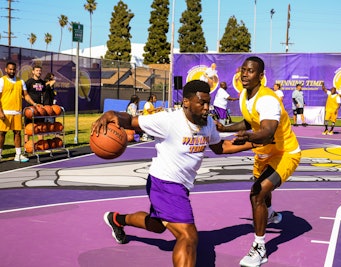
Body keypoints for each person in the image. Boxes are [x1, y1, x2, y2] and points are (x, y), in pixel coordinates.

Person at [92, 80, 252, 267]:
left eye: (208, 102)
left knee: (157, 226)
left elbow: (221, 147)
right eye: (202, 103)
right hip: (164, 183)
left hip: (181, 186)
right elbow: (132, 121)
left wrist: (254, 144)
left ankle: (117, 219)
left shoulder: (207, 122)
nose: (207, 108)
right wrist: (112, 114)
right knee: (188, 235)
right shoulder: (168, 120)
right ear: (186, 102)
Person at [216, 56, 301, 266]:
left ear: (260, 76)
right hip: (264, 153)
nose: (245, 74)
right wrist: (225, 128)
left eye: (250, 71)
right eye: (243, 70)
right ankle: (270, 214)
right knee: (262, 192)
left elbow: (266, 131)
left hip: (285, 152)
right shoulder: (245, 95)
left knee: (257, 193)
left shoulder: (267, 99)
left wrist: (247, 137)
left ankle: (260, 247)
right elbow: (250, 119)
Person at [0, 61, 38, 162]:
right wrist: (0, 112)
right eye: (10, 69)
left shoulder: (20, 81)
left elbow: (25, 95)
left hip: (17, 112)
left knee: (17, 133)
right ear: (6, 69)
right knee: (1, 133)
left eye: (13, 69)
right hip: (5, 112)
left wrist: (34, 104)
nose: (12, 71)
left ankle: (18, 155)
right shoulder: (2, 81)